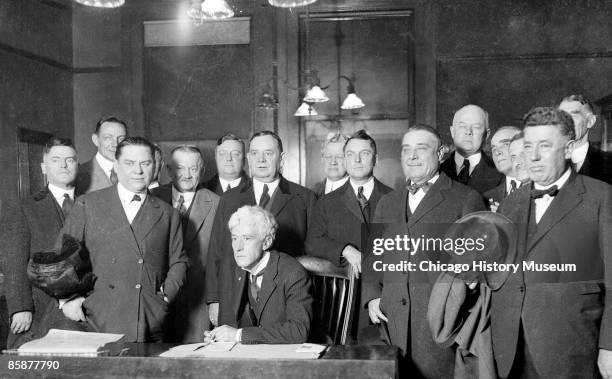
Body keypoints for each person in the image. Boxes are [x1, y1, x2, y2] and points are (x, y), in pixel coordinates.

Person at [492, 107, 612, 379]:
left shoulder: (601, 198)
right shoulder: (511, 203)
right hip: (511, 347)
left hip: (571, 348)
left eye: (544, 146)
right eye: (529, 146)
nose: (532, 156)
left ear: (568, 149)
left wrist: (610, 346)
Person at [362, 125, 486, 378]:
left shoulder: (466, 198)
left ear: (441, 154)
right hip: (393, 322)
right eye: (406, 149)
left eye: (421, 148)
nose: (412, 156)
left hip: (439, 326)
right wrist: (373, 295)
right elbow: (374, 256)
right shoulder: (388, 202)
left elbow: (475, 267)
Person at [59, 137, 187, 342]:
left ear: (155, 167)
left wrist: (163, 297)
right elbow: (62, 257)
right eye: (130, 163)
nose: (138, 171)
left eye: (145, 163)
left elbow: (179, 261)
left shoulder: (167, 213)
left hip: (148, 319)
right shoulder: (88, 204)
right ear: (116, 167)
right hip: (98, 319)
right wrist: (67, 299)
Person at [205, 130, 315, 328]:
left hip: (280, 299)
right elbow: (216, 251)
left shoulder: (303, 198)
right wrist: (214, 300)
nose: (261, 160)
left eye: (268, 153)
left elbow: (311, 249)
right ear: (248, 158)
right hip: (234, 299)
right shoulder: (229, 199)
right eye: (255, 153)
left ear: (281, 158)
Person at [305, 130, 392, 342]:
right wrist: (344, 249)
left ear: (376, 159)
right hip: (340, 304)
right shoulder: (326, 202)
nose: (357, 160)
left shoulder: (394, 199)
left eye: (364, 153)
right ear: (345, 159)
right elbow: (312, 242)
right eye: (351, 154)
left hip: (384, 301)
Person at [1, 138, 80, 348]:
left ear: (77, 164)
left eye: (69, 159)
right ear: (44, 167)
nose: (63, 165)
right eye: (56, 160)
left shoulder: (92, 204)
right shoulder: (25, 208)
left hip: (84, 309)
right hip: (40, 309)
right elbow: (14, 264)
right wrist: (21, 307)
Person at [204, 205, 312, 344]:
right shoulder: (238, 270)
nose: (238, 247)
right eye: (235, 238)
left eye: (247, 238)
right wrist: (218, 336)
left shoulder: (293, 272)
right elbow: (232, 325)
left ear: (266, 242)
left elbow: (298, 331)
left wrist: (239, 335)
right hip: (254, 355)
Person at [151, 145, 219, 342]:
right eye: (180, 168)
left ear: (202, 171)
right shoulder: (151, 198)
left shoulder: (216, 204)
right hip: (155, 300)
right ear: (169, 170)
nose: (187, 175)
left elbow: (221, 260)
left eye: (194, 168)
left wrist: (215, 300)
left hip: (197, 302)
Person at [440, 104, 503, 193]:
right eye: (462, 126)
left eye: (476, 127)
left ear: (486, 135)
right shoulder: (437, 171)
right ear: (452, 131)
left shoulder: (501, 173)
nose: (468, 132)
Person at [558, 94, 612, 184]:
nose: (565, 123)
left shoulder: (608, 164)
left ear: (590, 121)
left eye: (573, 116)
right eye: (561, 117)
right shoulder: (547, 160)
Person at [75, 116, 127, 193]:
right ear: (96, 140)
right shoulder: (78, 175)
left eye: (121, 139)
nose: (115, 144)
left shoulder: (133, 172)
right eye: (108, 138)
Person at [484, 126, 523, 206]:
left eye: (505, 144)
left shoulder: (542, 189)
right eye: (494, 148)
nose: (497, 152)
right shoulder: (487, 198)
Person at [311, 133, 349, 197]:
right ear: (322, 159)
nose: (333, 162)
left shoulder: (358, 192)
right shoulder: (312, 192)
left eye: (339, 156)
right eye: (328, 156)